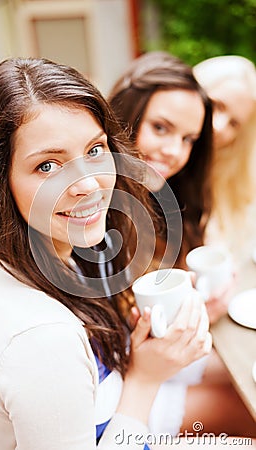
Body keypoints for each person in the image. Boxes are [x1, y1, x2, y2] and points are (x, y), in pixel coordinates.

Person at [0, 57, 214, 450]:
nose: (89, 184)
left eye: (95, 150)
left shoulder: (22, 250)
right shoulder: (42, 342)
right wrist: (146, 379)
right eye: (48, 165)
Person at [108, 51, 256, 437]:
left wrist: (199, 309)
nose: (174, 151)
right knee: (243, 407)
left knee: (242, 382)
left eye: (188, 138)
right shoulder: (94, 208)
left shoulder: (159, 196)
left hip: (148, 369)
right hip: (119, 398)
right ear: (127, 113)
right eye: (160, 127)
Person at [193, 55, 256, 253]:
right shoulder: (158, 161)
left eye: (234, 124)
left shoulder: (229, 180)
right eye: (216, 105)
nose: (219, 127)